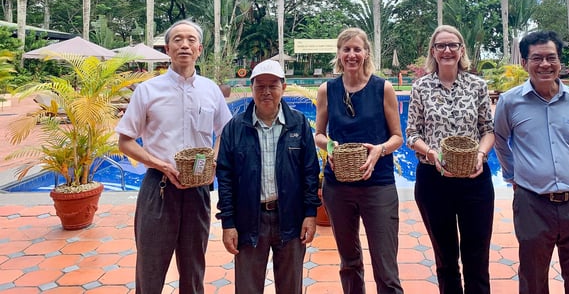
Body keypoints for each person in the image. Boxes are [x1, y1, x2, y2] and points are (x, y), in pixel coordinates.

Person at [116, 20, 232, 293]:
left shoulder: (210, 90)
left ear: (200, 49)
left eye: (191, 40)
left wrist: (214, 159)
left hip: (198, 191)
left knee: (194, 267)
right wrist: (160, 165)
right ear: (168, 49)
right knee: (150, 265)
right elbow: (125, 141)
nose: (184, 45)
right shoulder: (148, 90)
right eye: (178, 40)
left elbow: (226, 131)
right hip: (159, 188)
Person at [494, 30, 569, 294]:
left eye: (551, 58)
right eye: (537, 58)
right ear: (524, 63)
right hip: (532, 205)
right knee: (533, 280)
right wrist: (514, 177)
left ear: (560, 62)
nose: (545, 65)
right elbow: (500, 141)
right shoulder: (510, 102)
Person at [215, 59, 320, 294]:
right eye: (260, 86)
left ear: (283, 87)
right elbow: (226, 178)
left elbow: (310, 171)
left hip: (291, 219)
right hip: (249, 221)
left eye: (272, 85)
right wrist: (228, 223)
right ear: (251, 89)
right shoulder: (235, 128)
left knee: (291, 287)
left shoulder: (298, 124)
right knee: (248, 288)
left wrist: (311, 214)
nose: (266, 91)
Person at [405, 25, 495, 294]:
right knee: (445, 259)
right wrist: (431, 152)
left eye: (452, 45)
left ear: (461, 49)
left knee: (477, 257)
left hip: (474, 180)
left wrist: (480, 154)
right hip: (434, 180)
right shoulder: (421, 87)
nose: (447, 50)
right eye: (440, 45)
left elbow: (488, 130)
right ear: (433, 51)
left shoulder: (477, 85)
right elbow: (412, 133)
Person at [314, 27, 405, 294]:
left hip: (378, 185)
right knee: (349, 263)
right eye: (346, 49)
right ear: (339, 55)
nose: (352, 54)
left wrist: (379, 150)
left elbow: (398, 137)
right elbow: (319, 134)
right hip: (338, 186)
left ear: (366, 53)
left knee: (386, 267)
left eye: (357, 49)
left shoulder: (382, 88)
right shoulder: (326, 90)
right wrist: (330, 145)